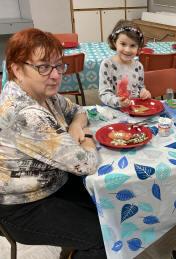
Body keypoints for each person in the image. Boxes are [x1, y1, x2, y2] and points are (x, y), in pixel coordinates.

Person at [0, 28, 106, 259]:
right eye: (43, 67)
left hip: (52, 183)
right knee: (103, 236)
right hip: (23, 207)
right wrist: (87, 137)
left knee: (109, 206)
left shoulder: (42, 93)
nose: (56, 75)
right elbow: (86, 164)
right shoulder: (26, 113)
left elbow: (78, 109)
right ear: (17, 69)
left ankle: (72, 250)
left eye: (58, 65)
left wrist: (75, 127)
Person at [99, 20, 151, 108]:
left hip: (134, 110)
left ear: (138, 47)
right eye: (123, 44)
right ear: (114, 42)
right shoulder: (107, 64)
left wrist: (144, 92)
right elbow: (104, 94)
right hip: (113, 111)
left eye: (133, 45)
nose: (127, 50)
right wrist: (118, 102)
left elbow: (140, 86)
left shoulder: (139, 66)